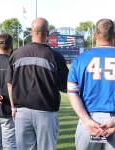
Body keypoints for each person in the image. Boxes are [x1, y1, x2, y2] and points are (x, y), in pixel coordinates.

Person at [7, 17, 69, 150]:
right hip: (46, 112)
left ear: (31, 32)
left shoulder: (16, 54)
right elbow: (65, 87)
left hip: (21, 112)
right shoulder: (55, 56)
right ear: (47, 33)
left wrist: (13, 107)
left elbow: (9, 83)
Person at [67, 18, 115, 150]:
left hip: (88, 120)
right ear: (114, 35)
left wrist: (87, 121)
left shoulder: (80, 59)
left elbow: (72, 93)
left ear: (94, 36)